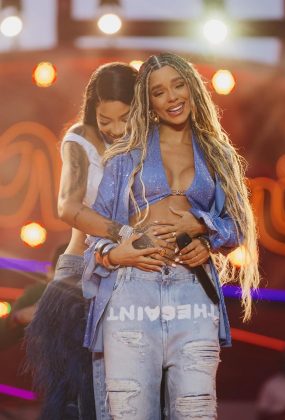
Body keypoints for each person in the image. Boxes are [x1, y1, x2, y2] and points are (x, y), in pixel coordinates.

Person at [82, 52, 260, 419]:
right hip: (132, 290)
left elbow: (239, 226)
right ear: (149, 102)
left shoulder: (219, 155)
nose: (172, 97)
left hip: (192, 293)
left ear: (193, 89)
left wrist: (204, 230)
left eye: (178, 85)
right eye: (159, 92)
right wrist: (119, 255)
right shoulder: (126, 156)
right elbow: (94, 236)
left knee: (196, 413)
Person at [25, 62, 169, 420]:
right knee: (81, 398)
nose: (116, 130)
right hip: (81, 278)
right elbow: (67, 206)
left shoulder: (154, 142)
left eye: (125, 119)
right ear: (93, 109)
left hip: (138, 277)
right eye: (106, 120)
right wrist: (124, 234)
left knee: (140, 395)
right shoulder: (80, 139)